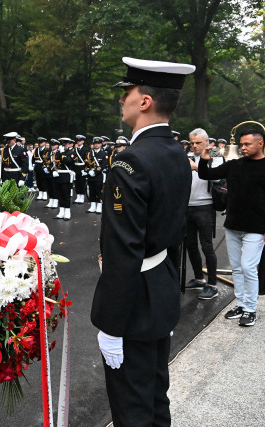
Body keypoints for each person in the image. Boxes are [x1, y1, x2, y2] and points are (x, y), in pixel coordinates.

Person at [91, 57, 195, 426]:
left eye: (127, 93)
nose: (123, 100)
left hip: (133, 304)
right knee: (153, 397)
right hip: (160, 289)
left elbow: (124, 251)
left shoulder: (130, 161)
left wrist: (112, 326)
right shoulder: (176, 152)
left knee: (131, 407)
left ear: (145, 101)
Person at [199, 129, 265, 326]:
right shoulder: (234, 163)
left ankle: (251, 309)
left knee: (248, 267)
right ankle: (241, 303)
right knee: (237, 268)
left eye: (247, 144)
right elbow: (207, 174)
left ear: (260, 143)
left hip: (256, 226)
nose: (243, 147)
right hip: (233, 225)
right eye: (241, 144)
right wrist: (204, 159)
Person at [183, 128, 219, 300]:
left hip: (205, 205)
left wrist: (196, 167)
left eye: (198, 143)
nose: (194, 146)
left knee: (206, 245)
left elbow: (218, 177)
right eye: (192, 143)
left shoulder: (215, 156)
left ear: (207, 141)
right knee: (190, 244)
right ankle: (199, 278)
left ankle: (212, 284)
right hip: (187, 205)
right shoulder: (185, 156)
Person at [86, 137, 108, 213]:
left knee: (98, 191)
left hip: (98, 175)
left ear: (101, 144)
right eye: (95, 143)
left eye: (98, 143)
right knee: (91, 191)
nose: (96, 145)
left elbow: (104, 164)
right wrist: (88, 170)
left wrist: (95, 171)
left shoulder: (104, 153)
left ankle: (99, 206)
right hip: (90, 175)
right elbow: (87, 163)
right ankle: (92, 206)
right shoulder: (90, 153)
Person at [72, 135, 88, 204]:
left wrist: (85, 169)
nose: (78, 142)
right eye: (78, 141)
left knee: (82, 183)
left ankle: (82, 196)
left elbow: (87, 160)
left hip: (82, 167)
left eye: (80, 141)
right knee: (77, 183)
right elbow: (72, 159)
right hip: (76, 167)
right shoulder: (74, 149)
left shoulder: (86, 149)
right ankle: (78, 196)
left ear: (83, 141)